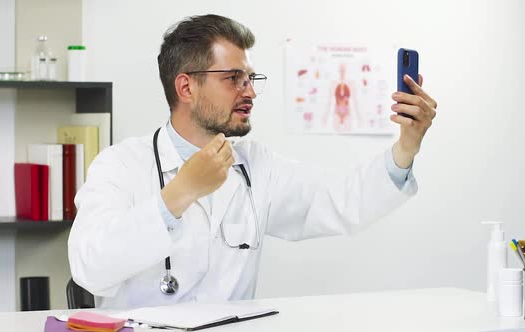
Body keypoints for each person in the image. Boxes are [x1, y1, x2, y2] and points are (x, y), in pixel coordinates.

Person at [68, 14, 437, 309]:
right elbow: (89, 268)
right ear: (186, 88)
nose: (249, 91)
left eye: (250, 78)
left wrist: (406, 146)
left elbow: (339, 200)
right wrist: (177, 197)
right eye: (233, 78)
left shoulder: (254, 166)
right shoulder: (120, 165)